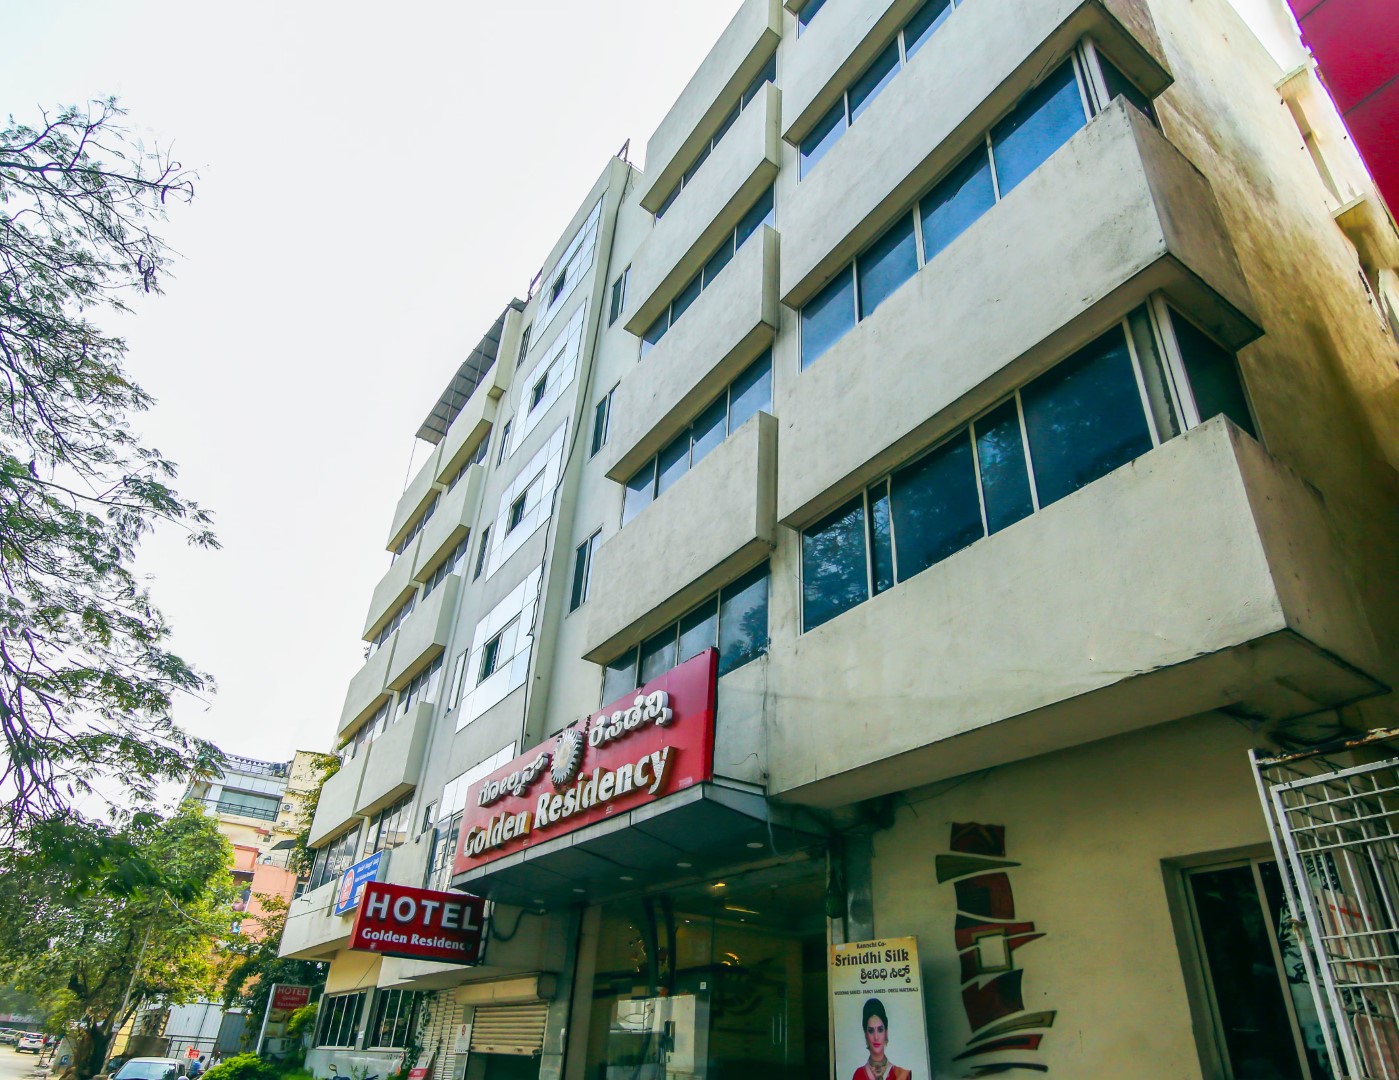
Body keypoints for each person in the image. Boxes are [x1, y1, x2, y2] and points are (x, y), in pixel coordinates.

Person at [852, 998, 911, 1080]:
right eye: (871, 1031)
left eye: (880, 1030)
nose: (876, 1037)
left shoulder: (902, 1075)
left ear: (886, 1032)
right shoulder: (859, 1075)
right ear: (865, 1035)